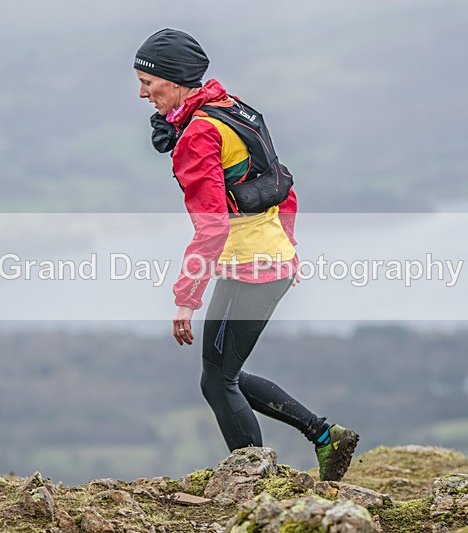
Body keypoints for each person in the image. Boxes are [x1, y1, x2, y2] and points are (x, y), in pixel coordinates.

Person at [133, 28, 358, 481]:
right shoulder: (233, 110)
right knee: (222, 375)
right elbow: (282, 185)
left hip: (249, 267)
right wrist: (288, 250)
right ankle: (323, 436)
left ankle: (255, 483)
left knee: (218, 380)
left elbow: (212, 224)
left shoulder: (200, 133)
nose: (141, 93)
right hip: (265, 259)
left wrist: (186, 296)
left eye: (147, 82)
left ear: (174, 80)